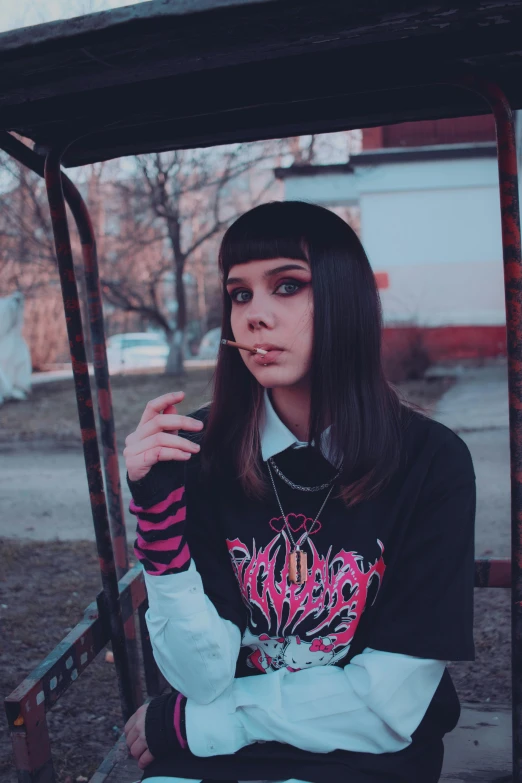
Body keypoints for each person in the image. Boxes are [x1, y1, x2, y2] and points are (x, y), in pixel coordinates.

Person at [123, 201, 476, 783]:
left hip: (361, 751)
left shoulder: (430, 461)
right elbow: (202, 676)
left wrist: (201, 724)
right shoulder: (201, 452)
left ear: (346, 299)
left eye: (287, 285)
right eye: (240, 294)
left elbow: (389, 707)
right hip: (222, 745)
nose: (256, 316)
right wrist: (158, 520)